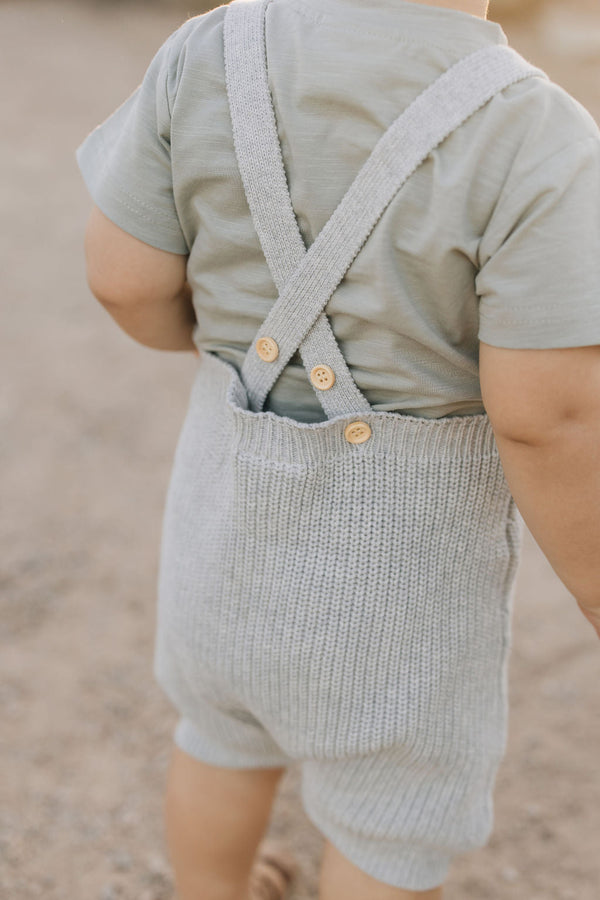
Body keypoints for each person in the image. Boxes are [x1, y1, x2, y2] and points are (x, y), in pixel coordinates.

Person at [76, 0, 600, 897]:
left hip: (219, 540)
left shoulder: (211, 49)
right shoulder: (535, 131)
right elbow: (545, 417)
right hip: (400, 596)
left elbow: (124, 280)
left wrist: (223, 352)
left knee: (219, 735)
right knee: (387, 816)